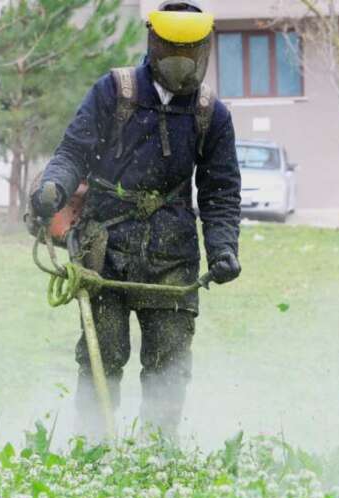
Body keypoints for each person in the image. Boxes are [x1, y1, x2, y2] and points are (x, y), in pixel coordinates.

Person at [31, 0, 241, 438]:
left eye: (191, 54)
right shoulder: (115, 92)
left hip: (172, 257)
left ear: (203, 50)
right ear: (154, 44)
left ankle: (158, 455)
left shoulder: (211, 114)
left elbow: (220, 191)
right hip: (105, 250)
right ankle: (94, 446)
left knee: (169, 363)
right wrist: (54, 187)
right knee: (101, 357)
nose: (182, 66)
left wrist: (223, 248)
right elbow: (73, 152)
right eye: (173, 53)